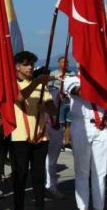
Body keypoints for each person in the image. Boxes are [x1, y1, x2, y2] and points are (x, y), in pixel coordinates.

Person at [10, 51, 56, 210]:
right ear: (17, 67)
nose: (30, 67)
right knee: (20, 176)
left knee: (39, 177)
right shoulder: (12, 83)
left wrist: (47, 107)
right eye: (26, 64)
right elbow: (20, 98)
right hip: (20, 138)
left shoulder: (42, 86)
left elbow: (53, 109)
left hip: (41, 137)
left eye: (31, 64)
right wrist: (37, 82)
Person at [64, 68, 107, 210]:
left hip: (102, 126)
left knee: (100, 173)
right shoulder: (72, 79)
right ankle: (82, 208)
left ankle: (99, 207)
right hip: (82, 125)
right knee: (82, 171)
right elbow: (81, 92)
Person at [44, 56, 73, 199]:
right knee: (46, 159)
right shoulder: (46, 87)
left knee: (52, 158)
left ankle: (51, 185)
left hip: (55, 125)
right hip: (44, 127)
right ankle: (48, 185)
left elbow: (66, 100)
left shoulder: (57, 90)